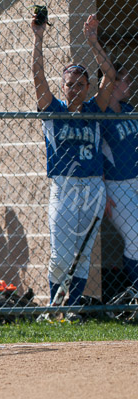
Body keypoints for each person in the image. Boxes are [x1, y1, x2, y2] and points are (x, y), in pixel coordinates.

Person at [32, 13, 116, 314]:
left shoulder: (94, 108)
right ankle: (56, 307)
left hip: (93, 187)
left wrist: (93, 42)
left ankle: (72, 309)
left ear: (88, 87)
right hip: (64, 187)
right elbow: (37, 77)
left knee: (83, 254)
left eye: (81, 84)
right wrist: (38, 38)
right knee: (60, 254)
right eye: (70, 84)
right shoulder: (53, 109)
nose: (75, 89)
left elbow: (110, 76)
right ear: (63, 86)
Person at [100, 64, 138, 291]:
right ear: (113, 84)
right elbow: (96, 156)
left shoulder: (129, 109)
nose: (129, 85)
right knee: (135, 238)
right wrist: (101, 191)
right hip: (117, 186)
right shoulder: (100, 114)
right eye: (126, 80)